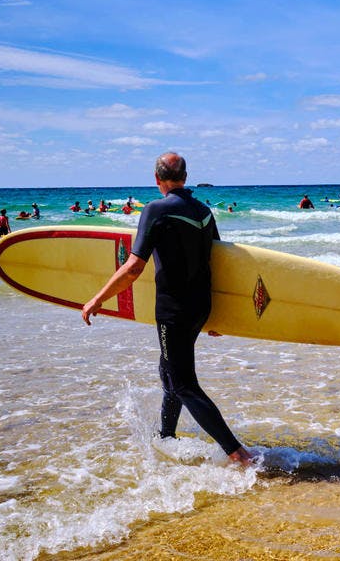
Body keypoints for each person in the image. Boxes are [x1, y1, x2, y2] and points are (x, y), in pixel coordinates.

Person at [81, 152, 254, 467]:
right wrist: (217, 316)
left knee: (183, 382)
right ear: (185, 177)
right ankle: (166, 436)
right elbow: (218, 263)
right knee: (169, 371)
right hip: (200, 306)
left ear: (156, 178)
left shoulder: (156, 210)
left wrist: (98, 298)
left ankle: (238, 453)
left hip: (173, 310)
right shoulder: (203, 212)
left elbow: (134, 267)